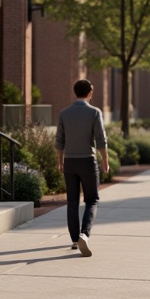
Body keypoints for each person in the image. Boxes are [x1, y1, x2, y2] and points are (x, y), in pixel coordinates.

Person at [56, 79, 109, 257]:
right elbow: (101, 139)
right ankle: (84, 234)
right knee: (92, 200)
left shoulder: (64, 113)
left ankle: (73, 239)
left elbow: (59, 141)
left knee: (72, 202)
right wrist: (105, 160)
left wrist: (60, 161)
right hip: (87, 160)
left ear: (74, 92)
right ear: (90, 93)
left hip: (70, 162)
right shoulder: (94, 112)